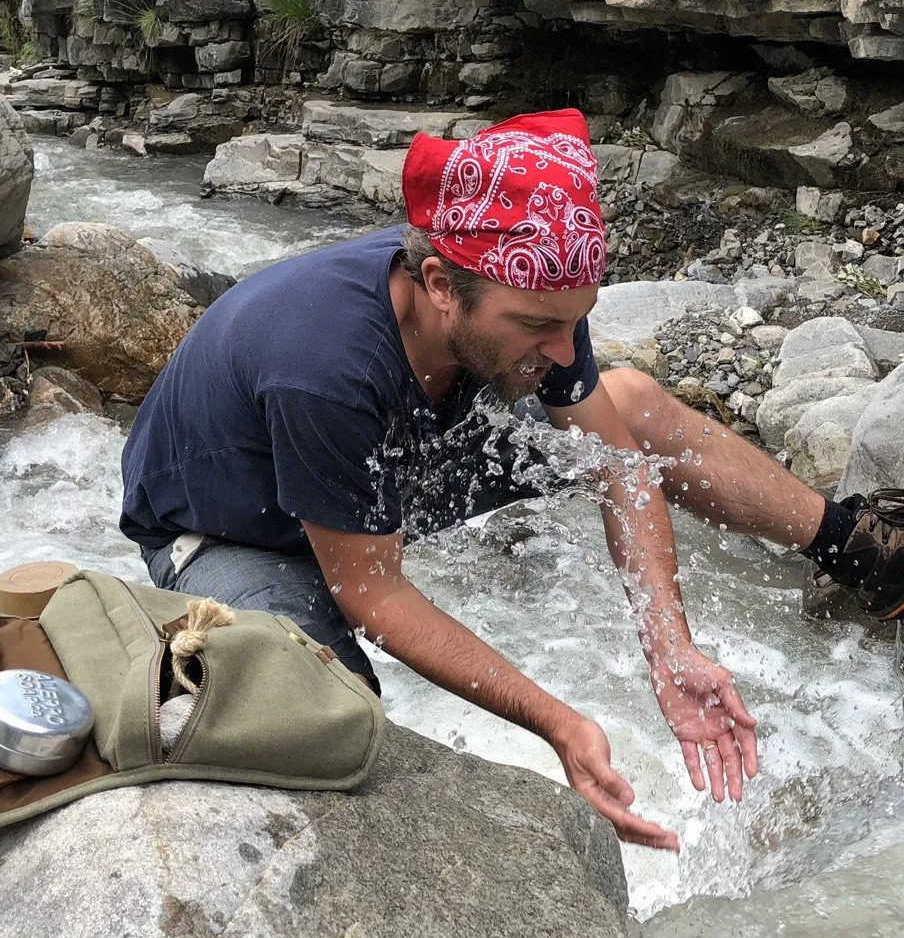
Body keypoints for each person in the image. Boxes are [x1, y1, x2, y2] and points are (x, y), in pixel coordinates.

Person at [120, 108, 904, 850]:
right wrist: (557, 722)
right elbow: (375, 595)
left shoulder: (538, 294)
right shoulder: (322, 364)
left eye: (575, 320)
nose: (563, 350)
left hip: (393, 462)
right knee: (331, 724)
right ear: (437, 284)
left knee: (627, 404)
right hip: (234, 532)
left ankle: (864, 550)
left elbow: (620, 468)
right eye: (536, 326)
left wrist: (670, 649)